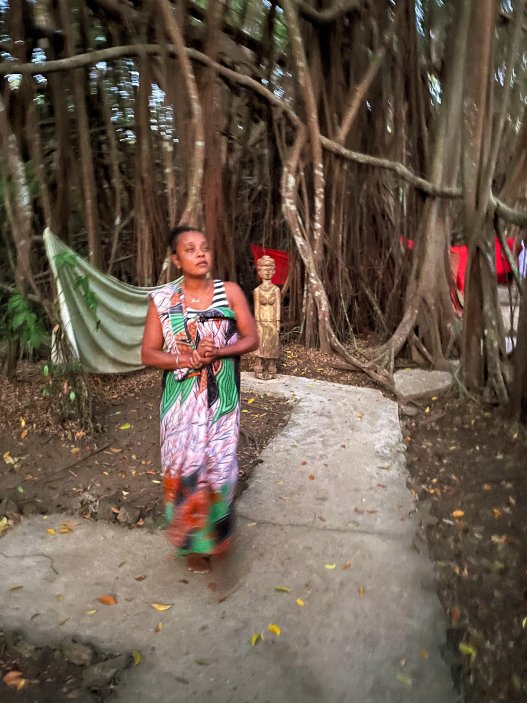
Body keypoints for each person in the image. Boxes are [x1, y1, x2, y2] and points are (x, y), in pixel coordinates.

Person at [141, 226, 259, 573]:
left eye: (204, 248)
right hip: (180, 404)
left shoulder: (231, 291)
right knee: (185, 467)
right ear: (176, 259)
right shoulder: (162, 300)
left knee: (220, 464)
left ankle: (217, 534)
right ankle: (193, 544)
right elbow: (148, 353)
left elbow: (251, 338)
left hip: (222, 397)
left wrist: (219, 350)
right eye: (190, 249)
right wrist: (185, 358)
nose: (200, 254)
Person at [253, 255, 281, 379]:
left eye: (270, 268)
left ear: (274, 271)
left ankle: (271, 366)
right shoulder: (257, 291)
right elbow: (256, 309)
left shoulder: (276, 290)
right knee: (261, 343)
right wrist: (257, 323)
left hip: (272, 321)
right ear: (259, 272)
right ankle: (258, 365)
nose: (268, 271)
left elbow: (278, 307)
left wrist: (278, 322)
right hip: (261, 321)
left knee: (272, 343)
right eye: (265, 269)